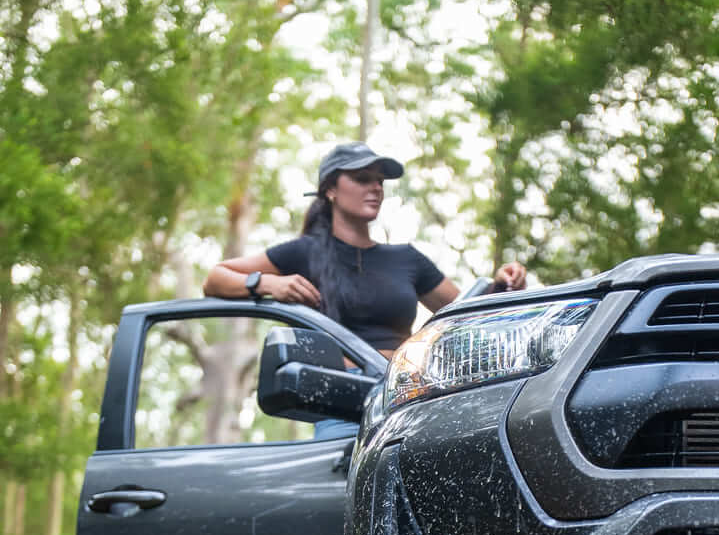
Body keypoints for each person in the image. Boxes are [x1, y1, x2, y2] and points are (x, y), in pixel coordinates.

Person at [202, 141, 527, 436]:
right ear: (330, 189)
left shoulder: (407, 259)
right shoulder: (303, 252)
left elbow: (467, 313)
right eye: (362, 179)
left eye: (380, 181)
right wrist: (268, 282)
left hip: (406, 398)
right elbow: (216, 278)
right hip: (341, 403)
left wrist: (503, 283)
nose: (375, 188)